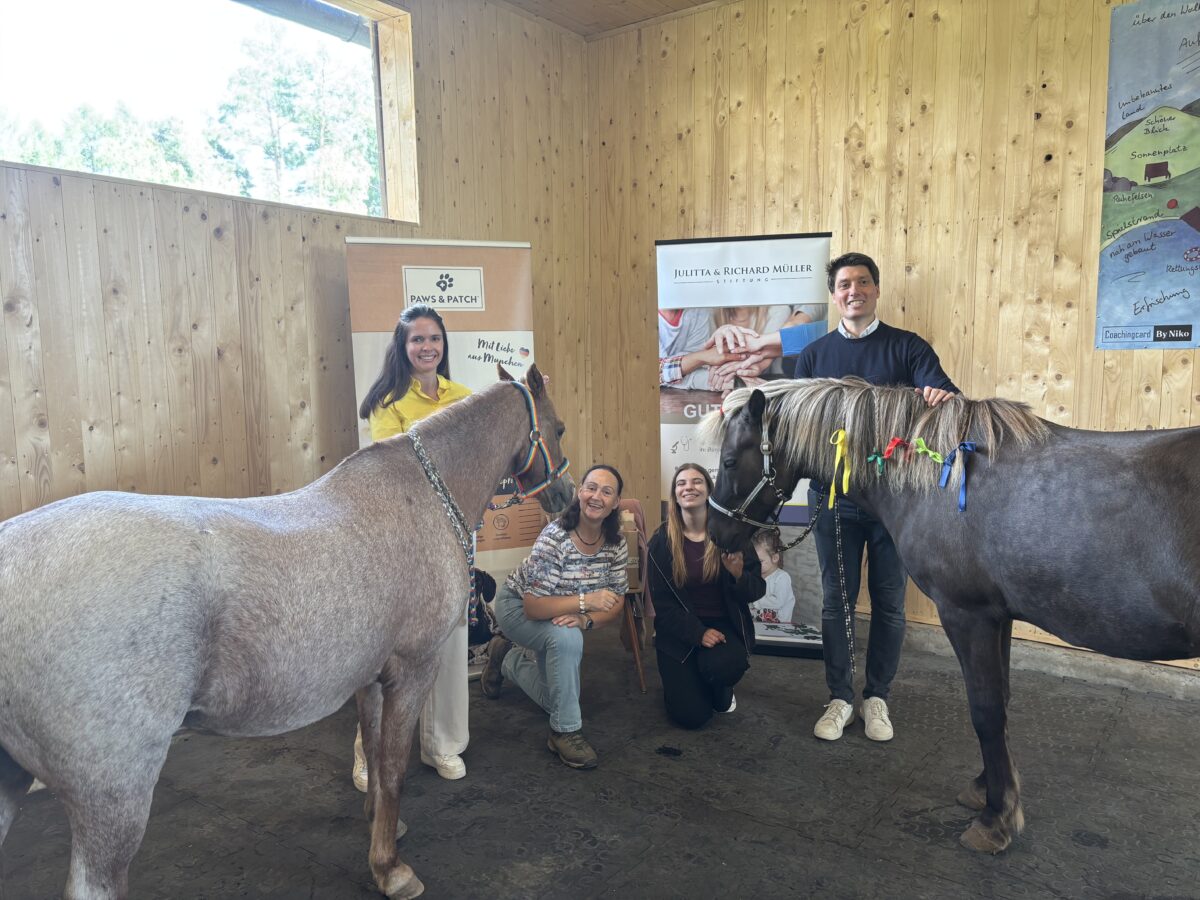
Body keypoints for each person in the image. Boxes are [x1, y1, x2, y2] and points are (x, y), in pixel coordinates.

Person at [728, 252, 958, 743]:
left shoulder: (908, 348)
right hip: (832, 500)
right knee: (837, 603)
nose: (853, 291)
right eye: (844, 285)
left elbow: (949, 404)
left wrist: (942, 398)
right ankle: (839, 697)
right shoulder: (813, 357)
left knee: (891, 604)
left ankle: (877, 698)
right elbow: (787, 425)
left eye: (862, 282)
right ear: (834, 296)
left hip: (896, 506)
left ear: (876, 290)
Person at [353, 304, 473, 788]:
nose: (427, 347)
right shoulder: (388, 400)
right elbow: (396, 466)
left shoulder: (464, 396)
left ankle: (442, 744)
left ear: (444, 346)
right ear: (402, 349)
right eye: (417, 340)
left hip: (455, 531)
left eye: (435, 340)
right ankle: (368, 751)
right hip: (402, 536)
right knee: (387, 650)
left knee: (451, 637)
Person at [480, 464, 628, 769]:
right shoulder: (556, 536)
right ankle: (564, 732)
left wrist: (586, 618)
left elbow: (616, 602)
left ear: (615, 503)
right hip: (518, 607)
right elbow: (534, 606)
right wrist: (586, 602)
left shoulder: (617, 543)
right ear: (579, 493)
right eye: (590, 487)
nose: (596, 496)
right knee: (567, 638)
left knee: (557, 698)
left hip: (561, 613)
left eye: (606, 491)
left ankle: (505, 657)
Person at [648, 463, 765, 730]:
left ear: (709, 492)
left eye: (697, 481)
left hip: (723, 627)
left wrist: (738, 575)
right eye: (681, 483)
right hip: (679, 631)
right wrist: (698, 633)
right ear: (675, 495)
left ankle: (719, 687)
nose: (689, 487)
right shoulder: (661, 541)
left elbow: (756, 589)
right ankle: (686, 683)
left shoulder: (733, 537)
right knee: (691, 717)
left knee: (726, 669)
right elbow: (664, 607)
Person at [749, 531, 795, 625]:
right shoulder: (756, 577)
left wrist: (755, 601)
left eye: (760, 561)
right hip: (758, 625)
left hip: (779, 627)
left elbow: (778, 602)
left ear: (774, 558)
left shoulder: (782, 577)